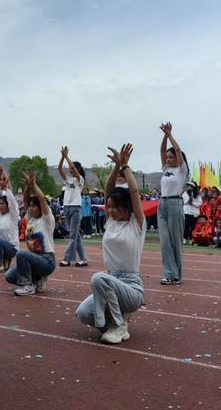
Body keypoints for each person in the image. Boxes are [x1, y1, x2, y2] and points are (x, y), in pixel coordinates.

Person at [76, 144, 146, 344]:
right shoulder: (110, 222)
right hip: (110, 280)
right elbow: (109, 189)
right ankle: (117, 320)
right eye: (110, 206)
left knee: (98, 278)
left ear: (127, 207)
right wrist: (115, 168)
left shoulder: (136, 224)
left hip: (130, 287)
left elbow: (133, 191)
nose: (112, 210)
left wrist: (125, 167)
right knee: (83, 314)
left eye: (116, 207)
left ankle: (118, 326)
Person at [5, 171, 56, 296]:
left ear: (41, 208)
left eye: (34, 206)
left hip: (46, 261)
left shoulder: (46, 219)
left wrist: (34, 185)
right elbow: (26, 200)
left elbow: (42, 199)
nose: (31, 208)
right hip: (34, 260)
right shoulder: (31, 218)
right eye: (30, 207)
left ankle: (28, 286)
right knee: (9, 276)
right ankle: (37, 281)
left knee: (21, 254)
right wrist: (28, 186)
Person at [157, 122, 188, 284]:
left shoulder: (182, 170)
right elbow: (162, 150)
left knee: (175, 241)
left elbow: (176, 149)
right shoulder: (166, 169)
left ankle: (176, 275)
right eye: (167, 157)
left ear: (178, 158)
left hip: (175, 204)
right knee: (164, 241)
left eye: (171, 157)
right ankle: (169, 273)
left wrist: (170, 135)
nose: (168, 158)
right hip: (162, 205)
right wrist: (164, 136)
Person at [58, 146, 88, 267]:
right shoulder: (68, 179)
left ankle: (67, 259)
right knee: (76, 236)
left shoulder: (80, 180)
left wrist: (66, 156)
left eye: (73, 169)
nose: (71, 170)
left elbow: (72, 167)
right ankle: (84, 259)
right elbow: (60, 168)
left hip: (76, 208)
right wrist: (62, 157)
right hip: (67, 207)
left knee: (72, 235)